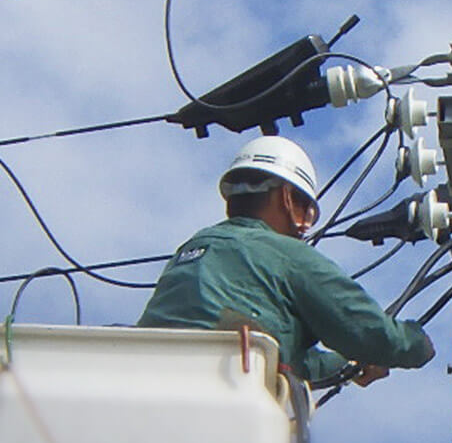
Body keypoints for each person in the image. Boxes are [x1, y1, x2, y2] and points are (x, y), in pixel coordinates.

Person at [139, 135, 435, 386]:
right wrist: (417, 343)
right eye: (307, 208)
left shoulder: (193, 249)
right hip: (227, 395)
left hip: (142, 384)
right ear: (286, 198)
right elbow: (367, 330)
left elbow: (288, 361)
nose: (307, 225)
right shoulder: (287, 255)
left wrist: (345, 364)